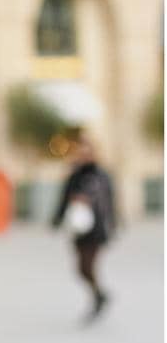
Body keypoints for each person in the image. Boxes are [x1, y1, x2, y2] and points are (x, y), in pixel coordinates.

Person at [51, 132, 117, 319]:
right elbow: (64, 198)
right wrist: (56, 219)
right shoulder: (74, 175)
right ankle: (99, 294)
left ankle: (98, 296)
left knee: (88, 265)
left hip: (97, 228)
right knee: (80, 268)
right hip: (78, 227)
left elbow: (110, 201)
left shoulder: (102, 175)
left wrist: (113, 224)